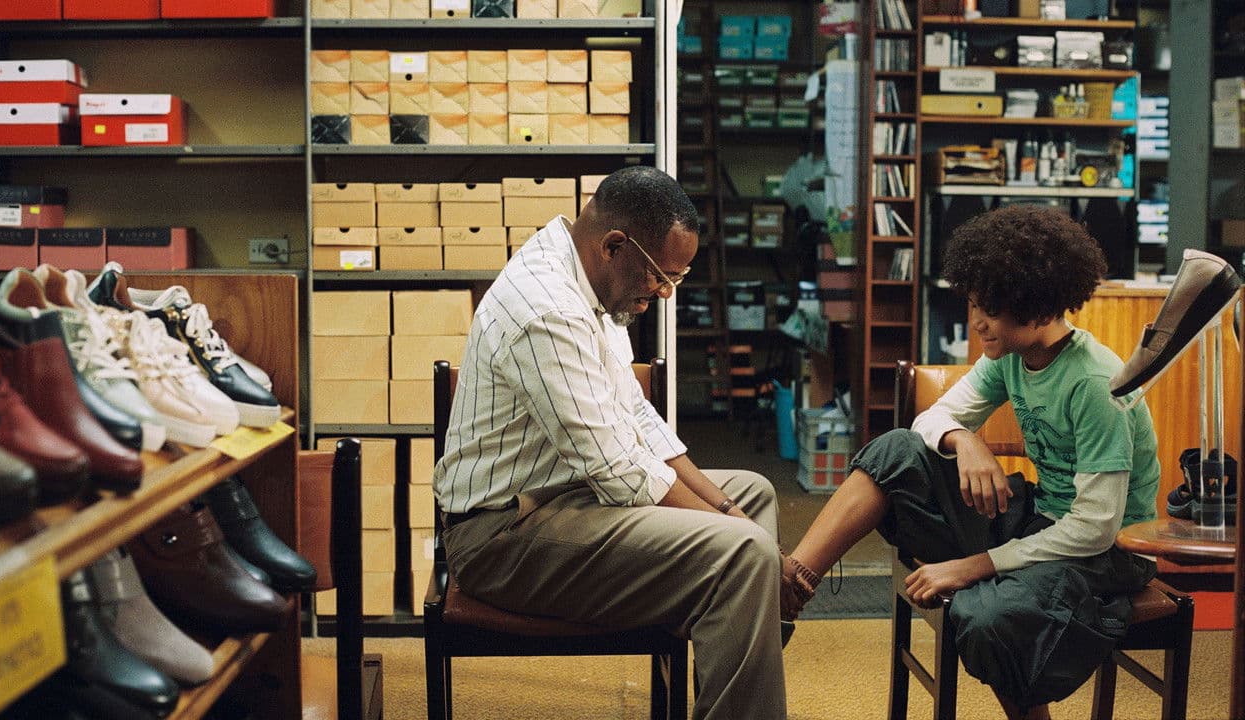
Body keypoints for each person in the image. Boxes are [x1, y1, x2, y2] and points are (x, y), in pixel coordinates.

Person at [434, 166, 802, 720]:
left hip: (565, 498)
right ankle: (740, 648)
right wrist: (748, 539)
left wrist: (730, 511)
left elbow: (637, 418)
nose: (665, 291)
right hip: (501, 537)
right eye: (660, 275)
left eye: (677, 278)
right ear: (613, 246)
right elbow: (618, 469)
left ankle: (733, 657)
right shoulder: (548, 309)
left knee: (753, 493)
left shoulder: (591, 283)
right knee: (745, 551)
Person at [783, 205, 1161, 719]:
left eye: (990, 309)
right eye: (974, 304)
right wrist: (965, 440)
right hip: (1044, 520)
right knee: (896, 451)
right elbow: (931, 418)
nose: (976, 321)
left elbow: (1095, 528)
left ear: (1037, 306)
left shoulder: (1096, 383)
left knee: (985, 617)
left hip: (1110, 550)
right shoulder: (1009, 357)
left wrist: (974, 565)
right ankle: (792, 587)